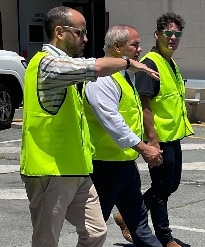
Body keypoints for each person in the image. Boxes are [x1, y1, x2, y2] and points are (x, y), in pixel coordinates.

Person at [20, 6, 159, 247]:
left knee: (96, 232)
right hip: (48, 169)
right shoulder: (47, 64)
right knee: (46, 239)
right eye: (81, 32)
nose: (86, 38)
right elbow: (92, 68)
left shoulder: (67, 67)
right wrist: (127, 63)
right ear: (60, 31)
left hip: (76, 167)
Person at [113, 13, 194, 247]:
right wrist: (152, 141)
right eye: (168, 33)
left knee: (170, 185)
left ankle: (126, 214)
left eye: (177, 34)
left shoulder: (170, 63)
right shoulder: (151, 62)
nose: (173, 38)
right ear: (157, 34)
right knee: (160, 190)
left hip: (173, 136)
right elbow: (145, 104)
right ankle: (165, 238)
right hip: (159, 138)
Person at [84, 24, 165, 247]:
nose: (140, 50)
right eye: (135, 45)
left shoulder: (123, 77)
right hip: (104, 167)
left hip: (125, 165)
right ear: (118, 47)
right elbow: (112, 122)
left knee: (139, 223)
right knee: (95, 230)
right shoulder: (102, 80)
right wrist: (143, 147)